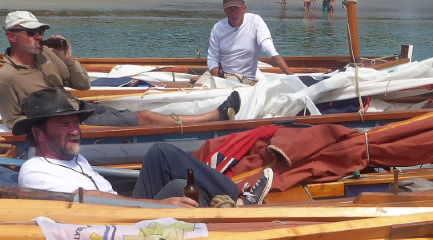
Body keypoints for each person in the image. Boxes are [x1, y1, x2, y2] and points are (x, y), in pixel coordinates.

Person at [15, 88, 273, 206]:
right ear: (38, 133)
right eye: (63, 125)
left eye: (75, 122)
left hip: (124, 209)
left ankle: (237, 197)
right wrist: (155, 205)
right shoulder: (34, 171)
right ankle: (237, 206)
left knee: (161, 154)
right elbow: (85, 199)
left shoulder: (73, 158)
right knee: (176, 190)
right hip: (115, 226)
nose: (74, 130)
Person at [0, 10, 240, 130]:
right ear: (11, 36)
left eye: (41, 31)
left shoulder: (46, 55)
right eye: (32, 32)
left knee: (138, 112)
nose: (39, 36)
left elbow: (82, 85)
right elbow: (15, 123)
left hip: (78, 108)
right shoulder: (6, 79)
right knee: (145, 117)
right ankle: (212, 118)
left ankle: (208, 118)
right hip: (68, 123)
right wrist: (60, 128)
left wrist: (69, 60)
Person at [207, 0, 294, 83]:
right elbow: (212, 58)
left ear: (244, 9)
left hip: (245, 79)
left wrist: (291, 76)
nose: (233, 13)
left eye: (236, 8)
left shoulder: (255, 22)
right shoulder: (218, 28)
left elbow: (269, 50)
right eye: (229, 9)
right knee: (198, 85)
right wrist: (216, 75)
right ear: (225, 11)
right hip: (222, 75)